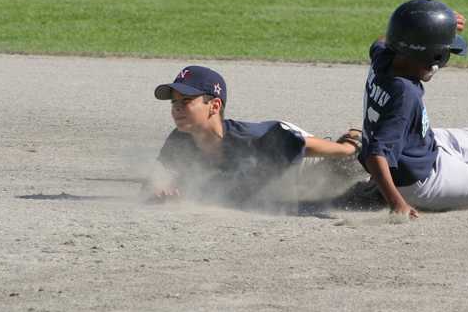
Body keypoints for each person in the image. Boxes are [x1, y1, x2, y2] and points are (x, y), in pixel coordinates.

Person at [358, 0, 468, 219]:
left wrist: (434, 26)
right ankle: (387, 191)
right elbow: (375, 154)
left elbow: (383, 40)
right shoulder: (405, 95)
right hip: (416, 180)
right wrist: (397, 204)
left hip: (421, 145)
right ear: (432, 58)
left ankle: (456, 176)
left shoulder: (384, 55)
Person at [151, 65, 361, 209]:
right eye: (174, 102)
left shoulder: (250, 138)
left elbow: (301, 143)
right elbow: (162, 176)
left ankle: (355, 141)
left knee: (350, 187)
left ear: (214, 106)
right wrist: (162, 189)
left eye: (186, 100)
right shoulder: (180, 138)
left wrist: (347, 149)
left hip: (307, 157)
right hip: (278, 168)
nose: (177, 108)